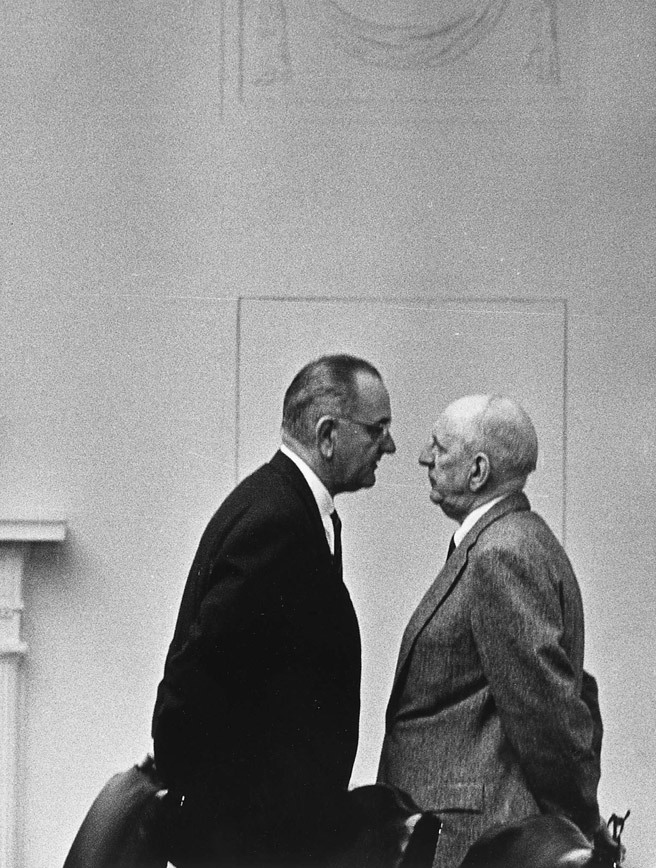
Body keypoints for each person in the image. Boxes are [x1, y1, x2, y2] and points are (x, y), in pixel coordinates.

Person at [152, 353, 397, 867]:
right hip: (252, 846)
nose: (389, 446)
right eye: (377, 431)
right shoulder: (278, 520)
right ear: (328, 435)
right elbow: (192, 683)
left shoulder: (286, 506)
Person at [378, 395, 613, 868]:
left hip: (470, 841)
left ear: (478, 471)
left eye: (440, 447)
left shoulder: (501, 554)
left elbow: (546, 711)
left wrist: (581, 829)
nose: (424, 456)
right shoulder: (516, 541)